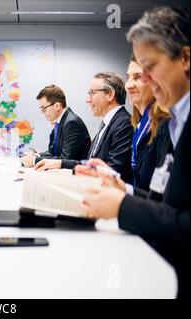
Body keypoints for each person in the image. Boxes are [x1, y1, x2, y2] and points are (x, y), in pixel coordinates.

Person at [81, 6, 189, 299]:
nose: (143, 83)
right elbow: (166, 204)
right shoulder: (176, 120)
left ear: (185, 58)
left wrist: (122, 205)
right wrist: (124, 189)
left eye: (149, 69)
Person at [35, 72, 134, 182]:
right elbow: (90, 162)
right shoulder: (107, 123)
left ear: (110, 94)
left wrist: (71, 171)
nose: (88, 100)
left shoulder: (124, 124)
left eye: (92, 93)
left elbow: (113, 170)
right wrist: (60, 164)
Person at [126, 57, 170, 190]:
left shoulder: (164, 125)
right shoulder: (139, 125)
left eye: (138, 77)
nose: (128, 85)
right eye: (128, 77)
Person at [20, 85, 91, 167]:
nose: (42, 112)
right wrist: (36, 156)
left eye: (44, 108)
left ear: (57, 106)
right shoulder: (60, 122)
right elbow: (52, 153)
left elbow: (65, 159)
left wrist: (34, 161)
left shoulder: (72, 123)